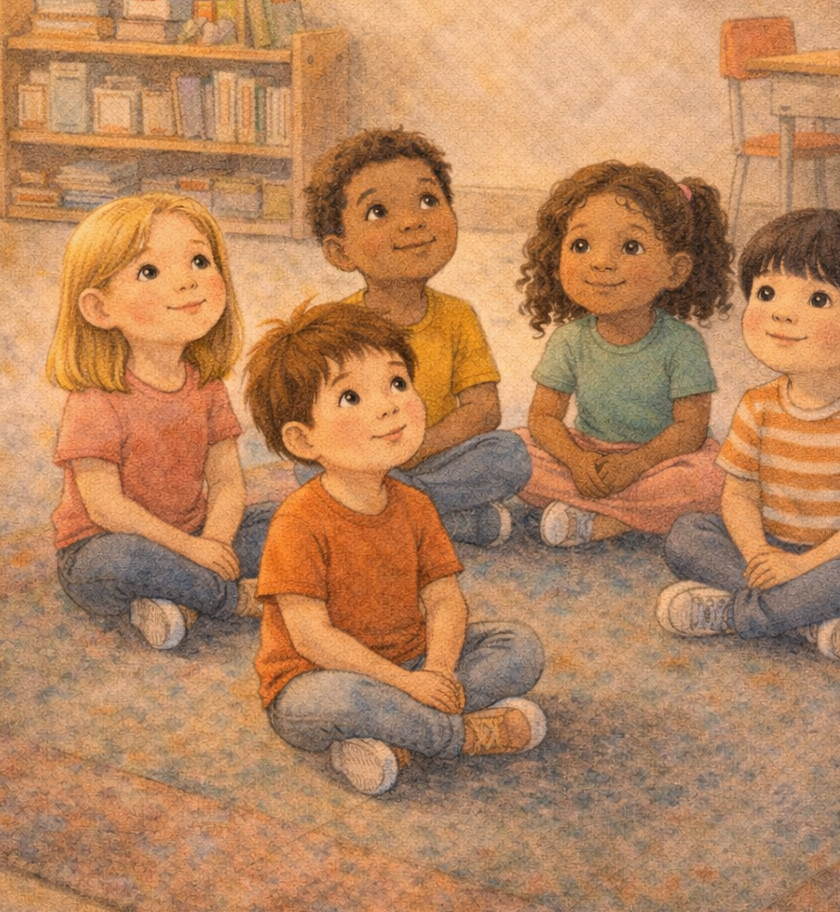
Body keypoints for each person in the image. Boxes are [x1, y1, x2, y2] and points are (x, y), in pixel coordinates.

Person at [243, 300, 546, 796]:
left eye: (398, 383)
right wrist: (407, 686)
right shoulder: (297, 520)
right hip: (322, 677)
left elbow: (445, 599)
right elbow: (314, 639)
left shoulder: (415, 505)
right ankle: (462, 735)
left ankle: (400, 740)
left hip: (416, 659)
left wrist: (437, 671)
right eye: (350, 398)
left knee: (518, 647)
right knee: (328, 702)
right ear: (302, 440)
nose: (388, 405)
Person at [659, 209, 840, 661]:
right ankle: (807, 619)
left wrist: (802, 565)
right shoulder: (757, 404)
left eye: (817, 300)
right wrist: (760, 553)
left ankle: (737, 615)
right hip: (778, 547)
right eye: (766, 293)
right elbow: (740, 495)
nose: (781, 313)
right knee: (688, 533)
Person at [47, 193, 275, 651]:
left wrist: (214, 541)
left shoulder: (207, 386)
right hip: (104, 546)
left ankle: (182, 601)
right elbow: (106, 508)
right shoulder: (96, 399)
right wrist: (194, 552)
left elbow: (228, 484)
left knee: (290, 518)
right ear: (99, 309)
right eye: (149, 271)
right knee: (125, 560)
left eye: (198, 260)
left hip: (195, 533)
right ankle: (233, 600)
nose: (188, 282)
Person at [298, 127, 530, 546]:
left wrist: (419, 446)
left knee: (510, 455)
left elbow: (483, 410)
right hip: (364, 461)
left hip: (435, 457)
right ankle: (449, 523)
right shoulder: (333, 325)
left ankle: (382, 517)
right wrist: (369, 453)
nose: (412, 221)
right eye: (378, 212)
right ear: (340, 252)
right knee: (305, 468)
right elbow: (318, 418)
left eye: (427, 200)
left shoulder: (457, 316)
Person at [516, 161, 734, 546]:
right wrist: (577, 461)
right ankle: (627, 512)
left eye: (630, 247)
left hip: (660, 461)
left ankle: (603, 521)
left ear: (676, 269)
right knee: (512, 454)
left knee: (713, 481)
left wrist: (635, 465)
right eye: (581, 245)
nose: (600, 262)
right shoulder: (569, 340)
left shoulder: (682, 344)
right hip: (587, 454)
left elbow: (690, 429)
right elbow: (544, 417)